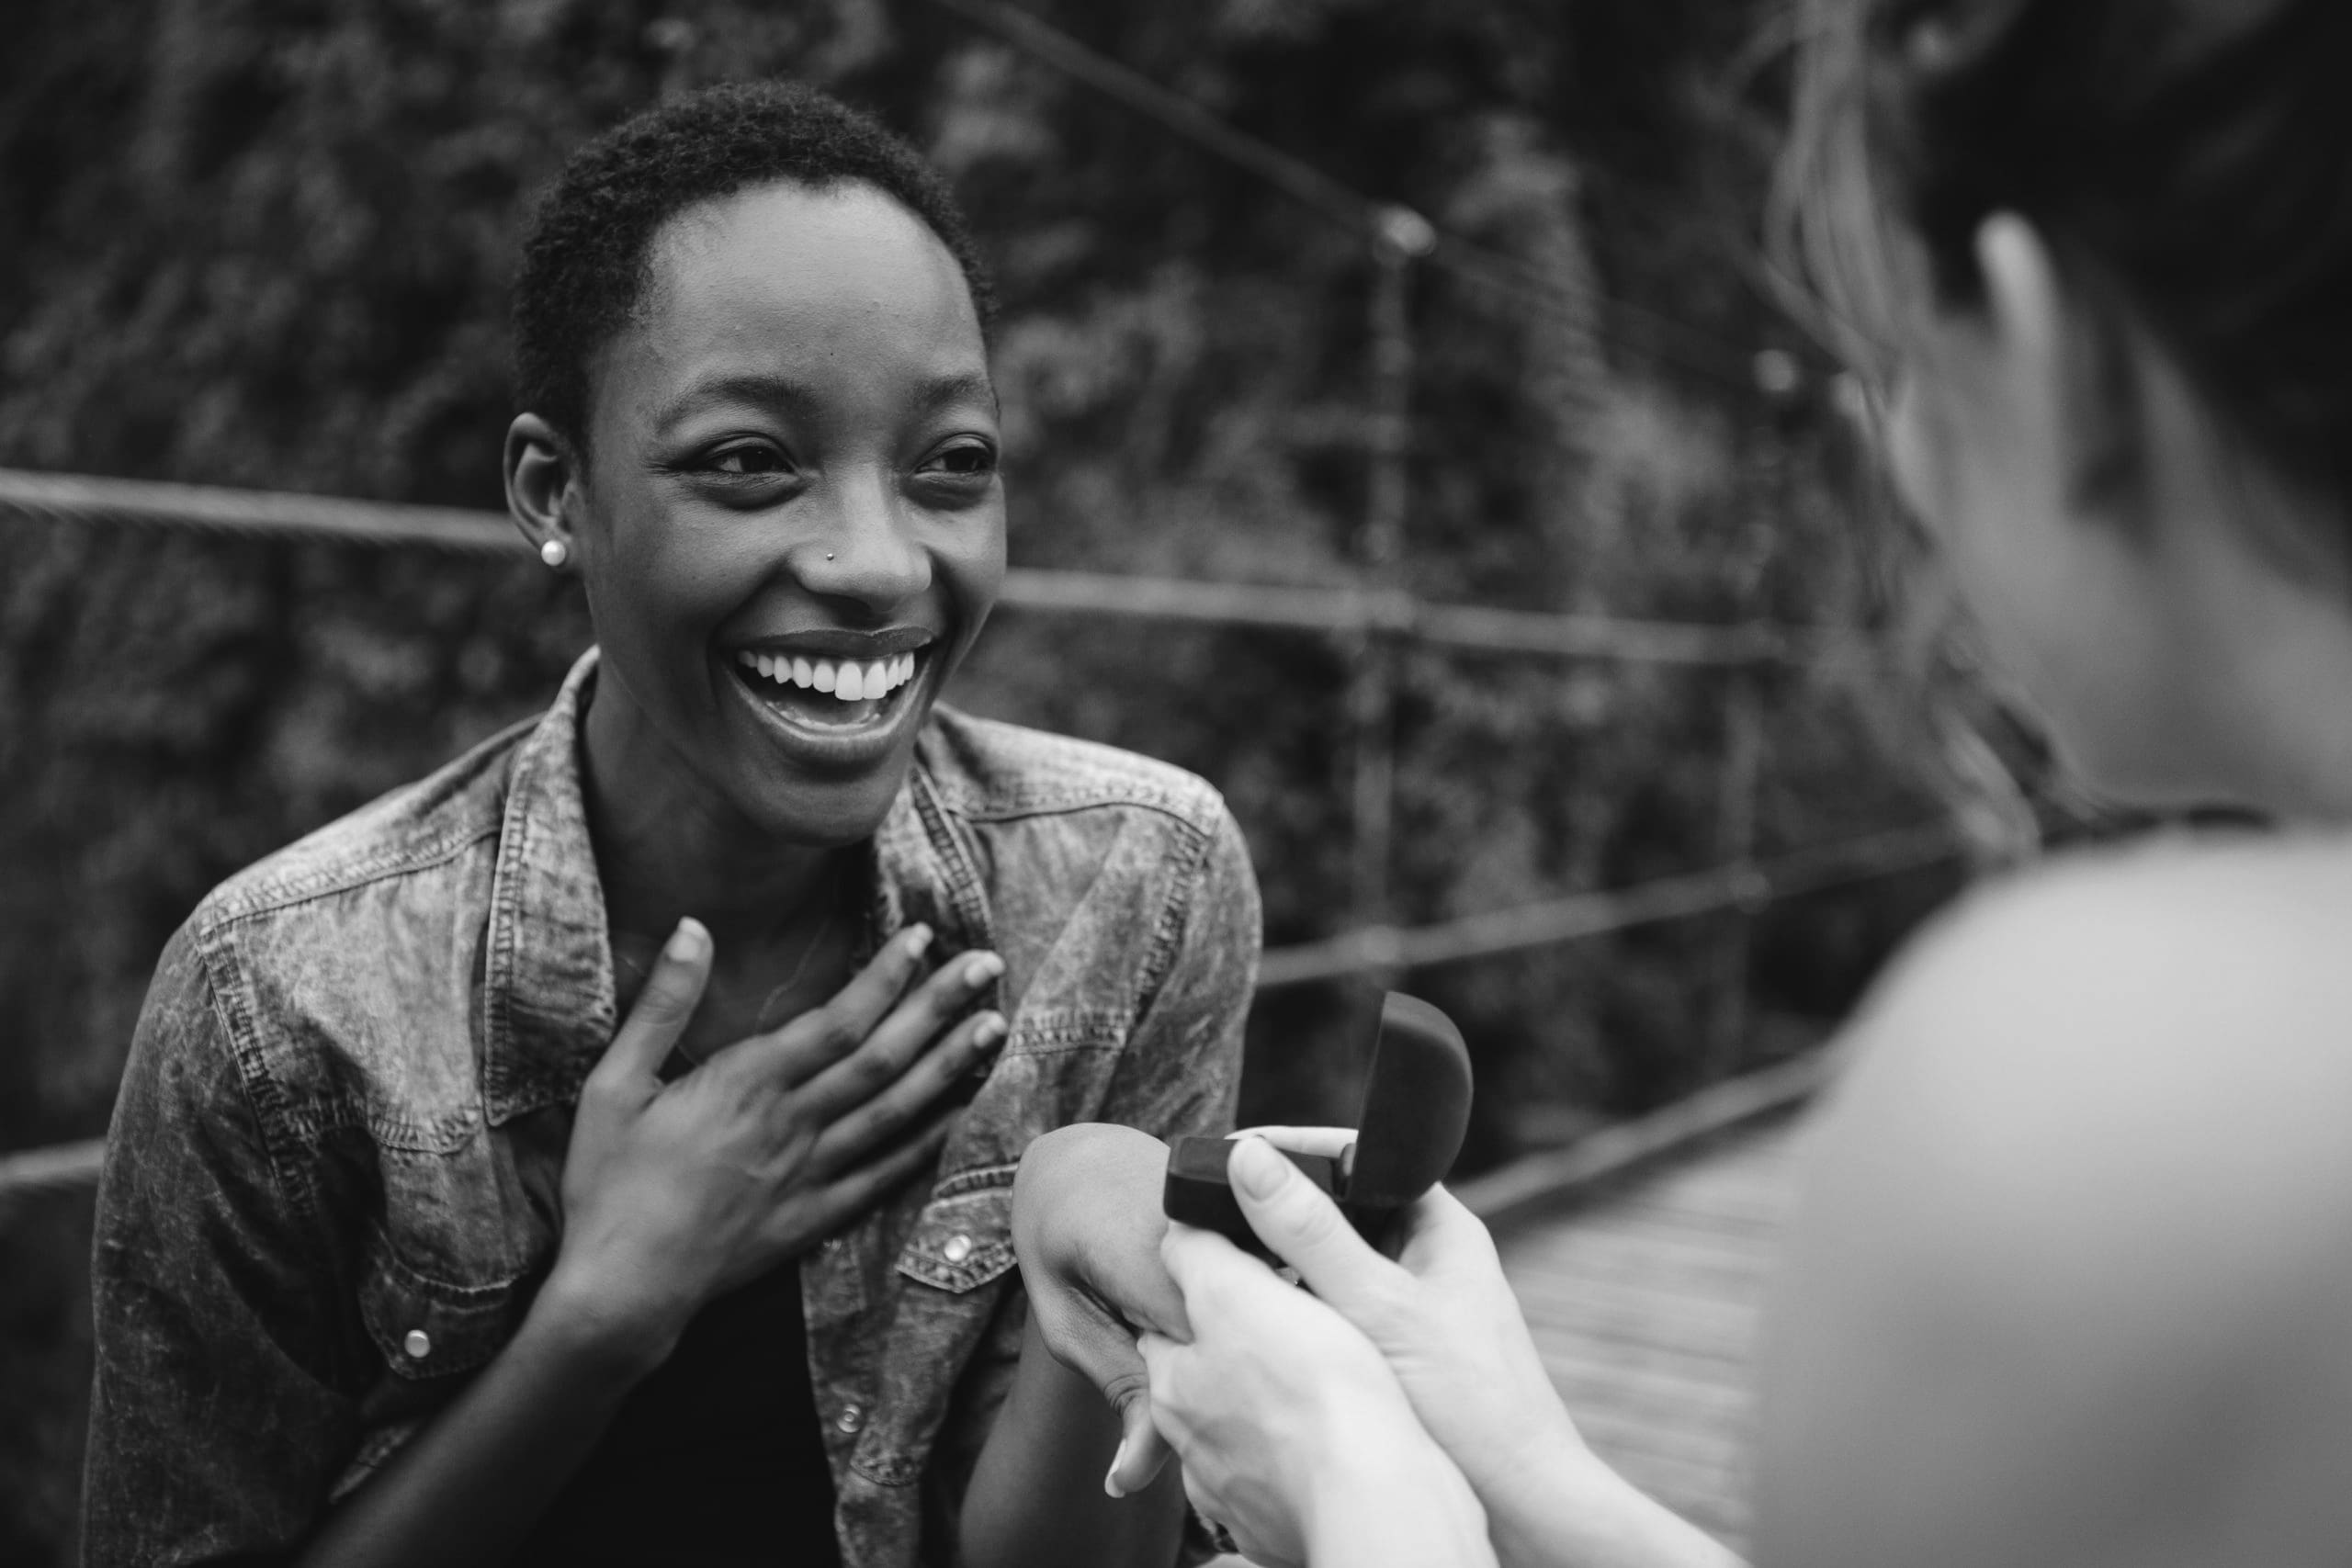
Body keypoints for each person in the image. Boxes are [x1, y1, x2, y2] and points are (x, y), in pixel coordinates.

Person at [1018, 0, 2352, 1563]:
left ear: (2039, 329)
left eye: (1898, 357)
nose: (1902, 465)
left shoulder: (2126, 1103)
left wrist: (1352, 1497)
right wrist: (1522, 1470)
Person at [81, 83, 1261, 1568]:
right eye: (748, 462)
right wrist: (602, 1317)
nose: (877, 562)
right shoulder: (279, 1012)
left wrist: (1114, 1281)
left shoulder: (1133, 886)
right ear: (550, 490)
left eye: (950, 464)